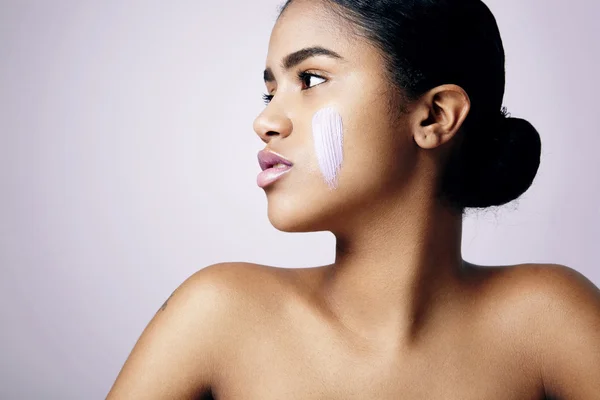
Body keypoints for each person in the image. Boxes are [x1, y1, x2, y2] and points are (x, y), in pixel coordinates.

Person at [106, 0, 600, 398]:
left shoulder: (547, 320)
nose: (266, 122)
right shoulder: (220, 314)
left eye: (311, 79)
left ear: (434, 117)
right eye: (270, 92)